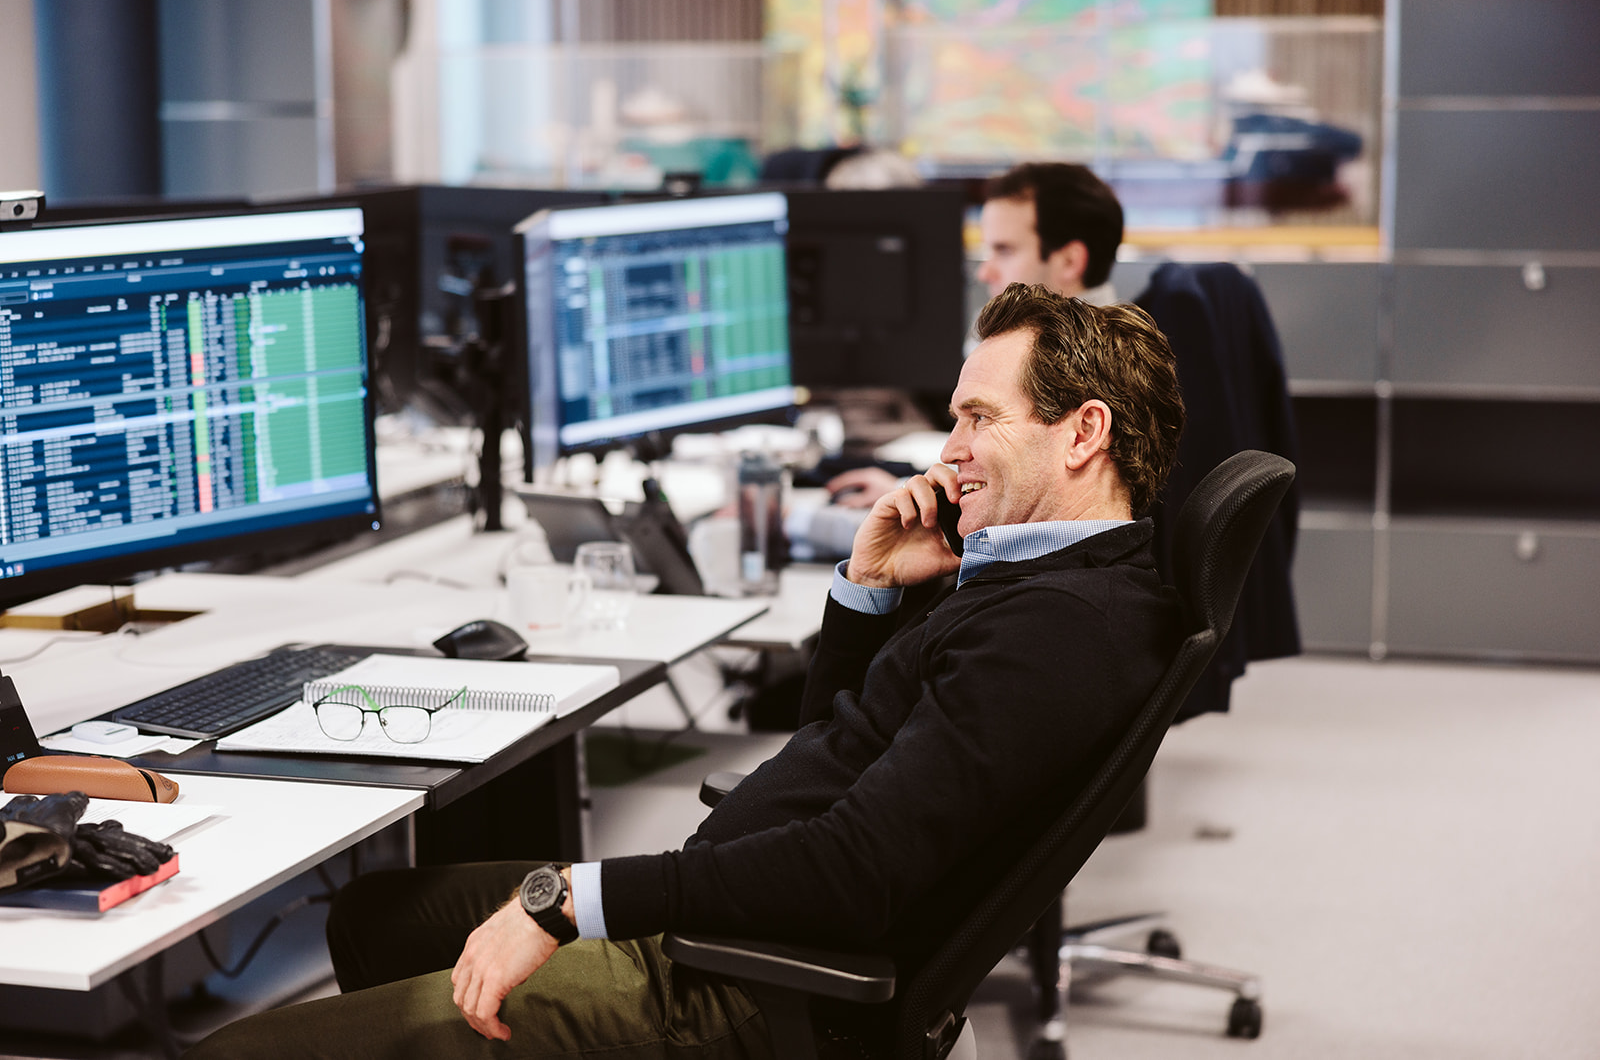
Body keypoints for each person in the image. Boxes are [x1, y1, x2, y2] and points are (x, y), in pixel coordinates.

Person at [184, 283, 1186, 1060]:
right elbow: (833, 742)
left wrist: (569, 901)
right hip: (731, 922)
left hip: (730, 986)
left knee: (233, 1051)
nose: (949, 449)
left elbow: (852, 872)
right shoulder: (1036, 577)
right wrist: (869, 587)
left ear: (1083, 431)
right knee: (376, 916)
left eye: (978, 418)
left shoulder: (1051, 629)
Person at [827, 161, 1125, 507]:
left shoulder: (1087, 368)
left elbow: (1018, 488)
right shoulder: (1040, 343)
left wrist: (910, 491)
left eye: (1004, 250)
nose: (985, 272)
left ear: (1070, 261)